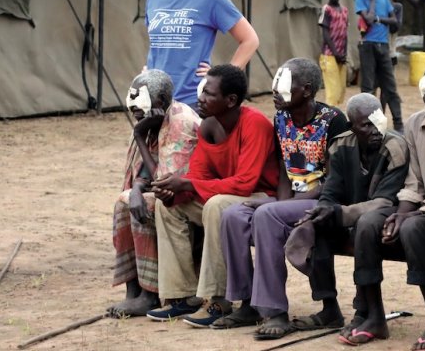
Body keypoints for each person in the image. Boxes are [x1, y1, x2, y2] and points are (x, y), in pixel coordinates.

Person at [214, 58, 349, 339]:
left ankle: (275, 310)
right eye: (275, 83)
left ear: (308, 90)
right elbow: (286, 171)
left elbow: (336, 180)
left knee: (266, 215)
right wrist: (280, 202)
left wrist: (280, 207)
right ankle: (247, 302)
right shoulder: (282, 119)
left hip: (323, 199)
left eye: (283, 84)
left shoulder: (333, 121)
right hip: (292, 200)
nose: (275, 90)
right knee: (233, 215)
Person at [343, 53, 425, 351]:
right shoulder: (414, 124)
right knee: (369, 222)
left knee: (413, 228)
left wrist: (409, 218)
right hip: (422, 210)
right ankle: (373, 315)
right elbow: (414, 182)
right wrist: (399, 214)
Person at [146, 64, 279, 327]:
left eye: (209, 94)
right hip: (229, 193)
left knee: (217, 206)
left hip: (262, 197)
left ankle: (219, 300)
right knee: (168, 206)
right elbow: (199, 176)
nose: (201, 98)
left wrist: (186, 184)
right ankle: (182, 295)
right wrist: (173, 190)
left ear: (230, 101)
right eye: (202, 91)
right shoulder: (208, 126)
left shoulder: (255, 124)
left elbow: (244, 183)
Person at [293, 93, 409, 346]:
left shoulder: (395, 146)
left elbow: (385, 201)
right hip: (351, 215)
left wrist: (338, 213)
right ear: (352, 127)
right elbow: (332, 191)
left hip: (386, 218)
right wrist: (324, 209)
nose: (375, 129)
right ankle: (329, 306)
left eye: (378, 121)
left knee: (364, 226)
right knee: (319, 224)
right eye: (366, 125)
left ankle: (363, 311)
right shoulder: (341, 145)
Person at [109, 70, 200, 317]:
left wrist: (139, 135)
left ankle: (150, 294)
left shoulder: (180, 123)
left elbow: (164, 184)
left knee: (144, 205)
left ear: (160, 101)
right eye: (132, 97)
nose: (132, 105)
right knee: (125, 202)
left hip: (189, 198)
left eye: (140, 98)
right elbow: (148, 173)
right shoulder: (151, 119)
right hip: (166, 190)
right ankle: (134, 290)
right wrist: (137, 188)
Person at [145, 0, 260, 109]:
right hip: (156, 97)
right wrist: (148, 71)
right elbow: (158, 45)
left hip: (194, 99)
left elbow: (250, 40)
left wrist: (224, 78)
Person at [355, 0, 403, 132]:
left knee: (390, 86)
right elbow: (367, 20)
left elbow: (394, 21)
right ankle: (367, 123)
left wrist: (378, 18)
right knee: (368, 87)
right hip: (367, 45)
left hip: (383, 46)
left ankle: (398, 123)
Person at [319, 0, 349, 107]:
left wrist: (344, 53)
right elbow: (325, 34)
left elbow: (345, 33)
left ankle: (335, 117)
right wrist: (336, 53)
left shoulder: (345, 10)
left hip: (340, 55)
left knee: (341, 89)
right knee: (333, 90)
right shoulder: (326, 10)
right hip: (329, 55)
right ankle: (329, 120)